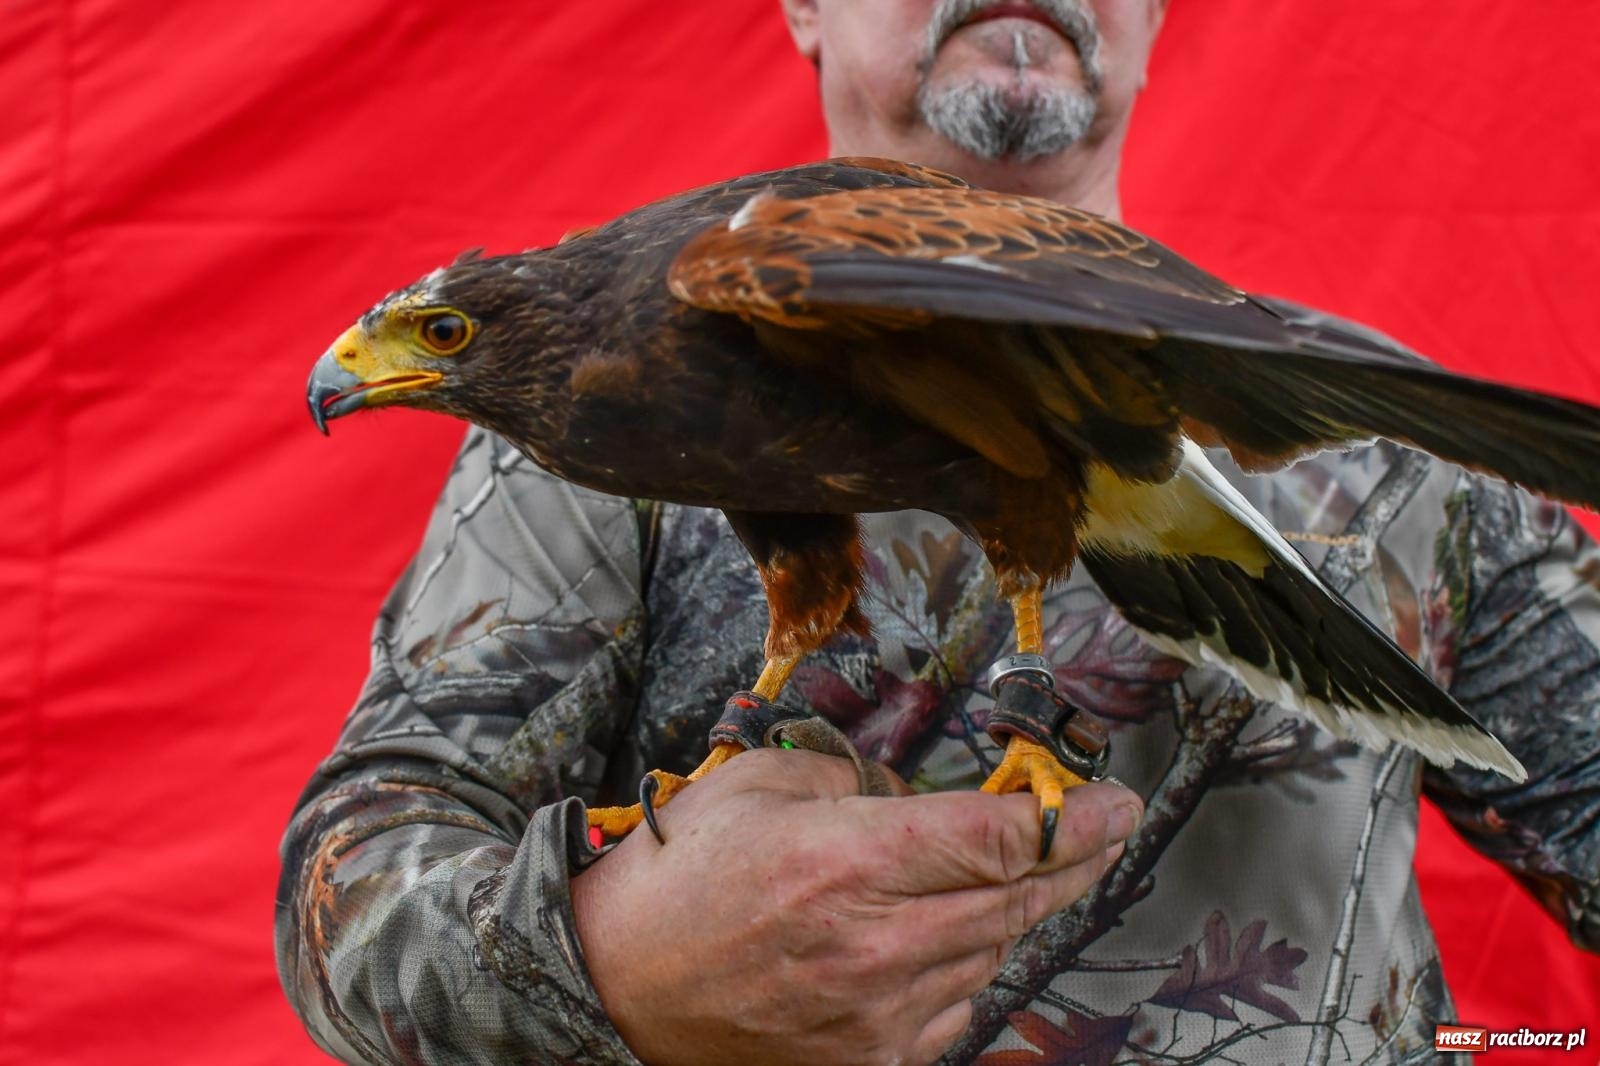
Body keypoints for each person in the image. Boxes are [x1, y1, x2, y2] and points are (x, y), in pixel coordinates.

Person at [275, 1, 1600, 1063]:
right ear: (799, 8)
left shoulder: (1399, 465)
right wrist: (609, 960)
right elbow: (352, 885)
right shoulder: (577, 444)